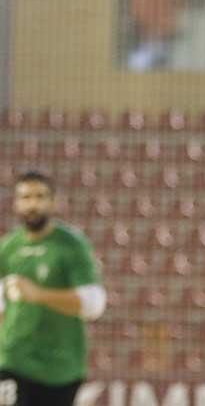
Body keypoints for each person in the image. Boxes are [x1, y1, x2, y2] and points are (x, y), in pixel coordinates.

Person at [0, 171, 107, 406]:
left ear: (52, 202)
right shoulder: (8, 248)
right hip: (13, 359)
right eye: (26, 197)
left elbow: (93, 304)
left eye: (40, 197)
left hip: (60, 367)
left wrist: (38, 295)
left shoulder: (71, 246)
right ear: (16, 203)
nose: (33, 204)